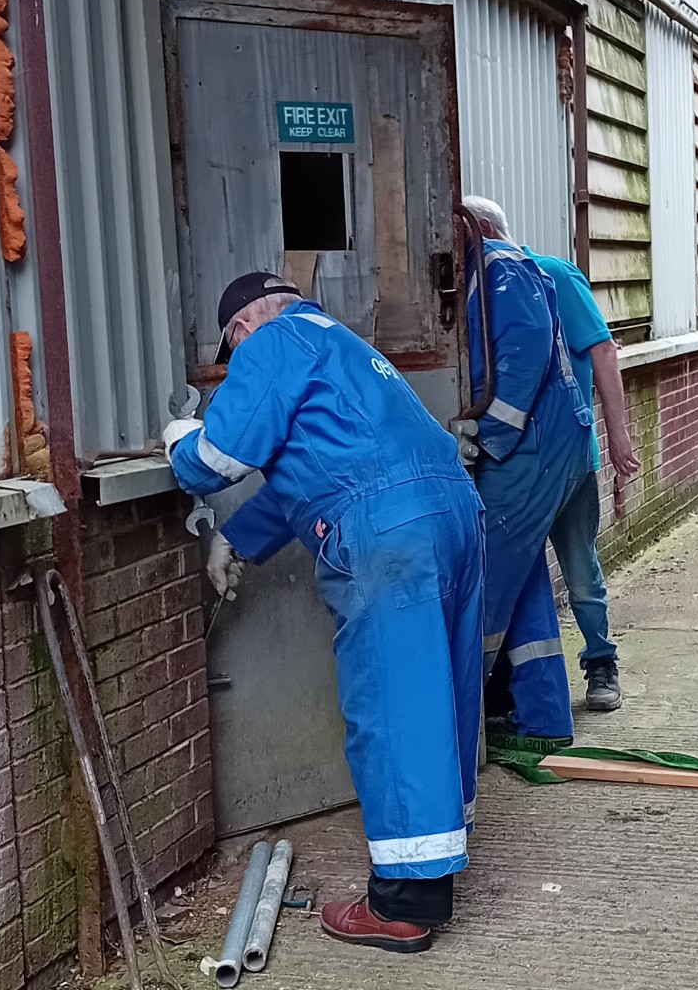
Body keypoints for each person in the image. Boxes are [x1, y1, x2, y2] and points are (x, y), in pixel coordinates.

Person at [163, 273, 485, 950]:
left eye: (231, 356)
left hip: (387, 531)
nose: (236, 367)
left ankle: (406, 903)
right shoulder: (341, 345)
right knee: (440, 691)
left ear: (242, 329)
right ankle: (438, 846)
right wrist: (236, 539)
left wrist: (178, 438)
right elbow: (309, 474)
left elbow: (217, 460)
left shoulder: (272, 342)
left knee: (393, 705)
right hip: (451, 512)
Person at [462, 196, 593, 741]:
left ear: (477, 229)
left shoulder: (499, 267)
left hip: (530, 451)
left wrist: (487, 434)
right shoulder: (500, 271)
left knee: (487, 583)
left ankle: (462, 723)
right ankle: (543, 719)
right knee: (524, 578)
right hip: (542, 448)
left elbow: (524, 356)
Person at [521, 238, 640, 711]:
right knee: (515, 573)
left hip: (568, 459)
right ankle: (521, 681)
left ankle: (600, 661)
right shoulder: (479, 287)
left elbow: (603, 351)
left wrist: (618, 434)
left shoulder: (555, 276)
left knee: (579, 567)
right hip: (512, 464)